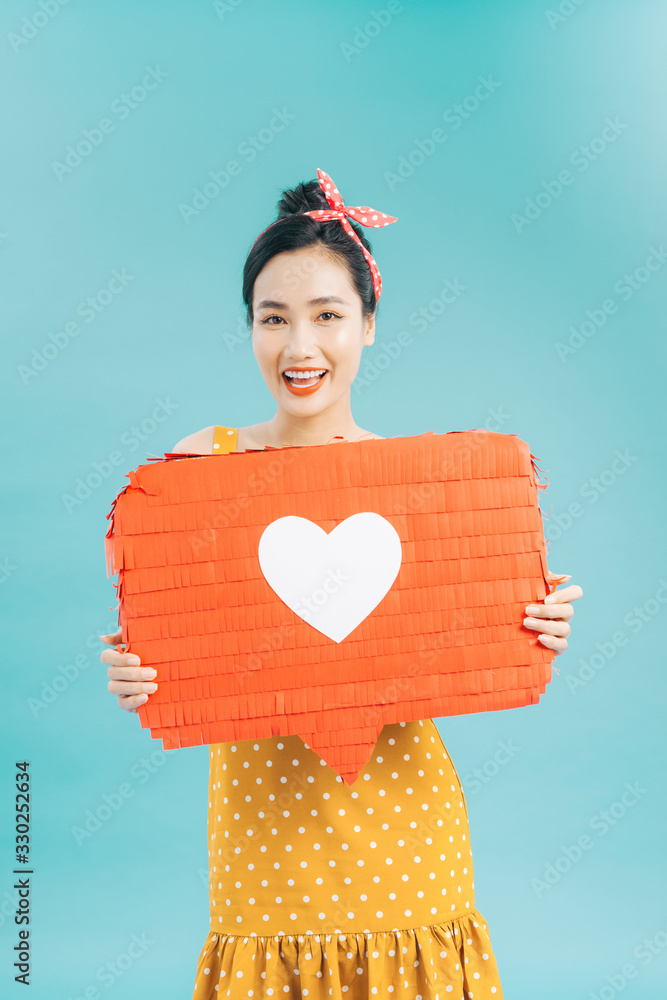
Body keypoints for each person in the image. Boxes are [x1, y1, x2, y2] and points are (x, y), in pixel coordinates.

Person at [100, 168, 583, 998]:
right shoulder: (196, 470)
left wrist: (528, 622)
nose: (299, 348)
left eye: (327, 317)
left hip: (405, 823)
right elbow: (165, 633)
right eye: (273, 319)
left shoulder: (427, 491)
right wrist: (134, 669)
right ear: (247, 329)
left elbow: (468, 639)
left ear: (368, 326)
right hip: (265, 829)